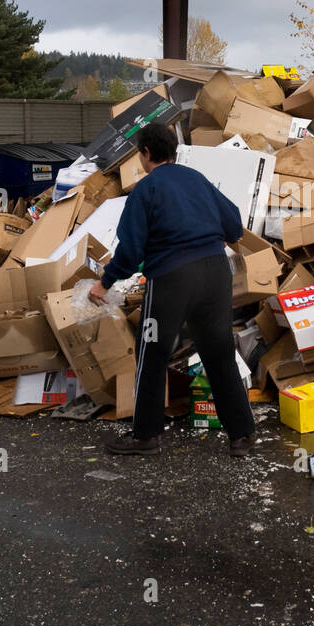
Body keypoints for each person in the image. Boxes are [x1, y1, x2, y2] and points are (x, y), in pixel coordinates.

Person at [88, 122, 255, 457]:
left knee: (152, 353)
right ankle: (242, 436)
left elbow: (131, 249)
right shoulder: (197, 179)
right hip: (215, 273)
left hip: (172, 279)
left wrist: (104, 283)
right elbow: (234, 223)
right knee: (220, 353)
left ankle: (145, 436)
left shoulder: (145, 190)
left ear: (146, 153)